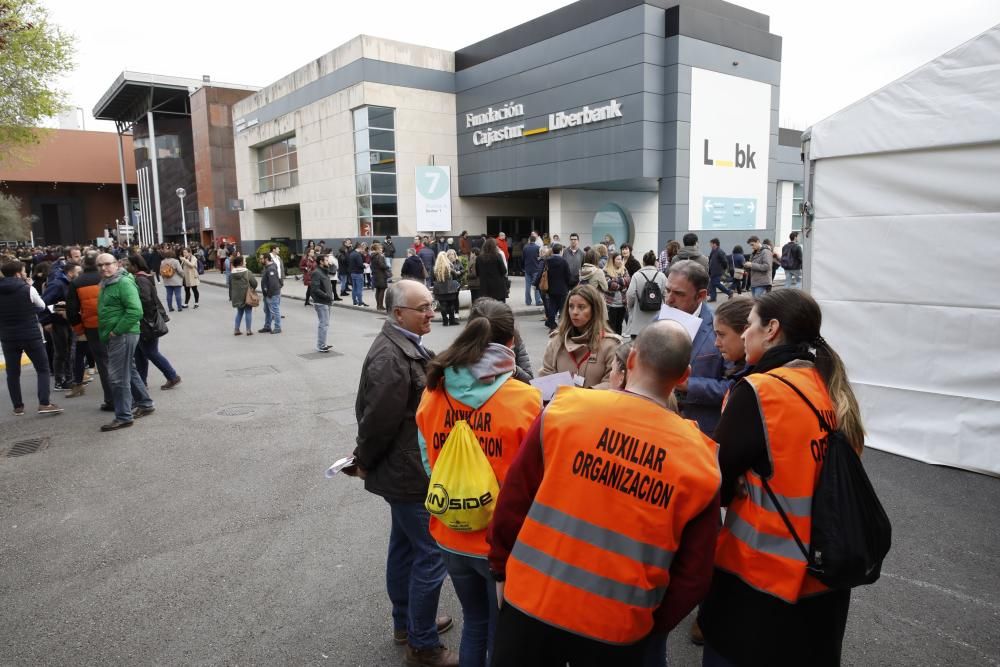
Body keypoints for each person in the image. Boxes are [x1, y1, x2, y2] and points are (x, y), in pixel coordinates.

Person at [488, 320, 722, 666]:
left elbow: (513, 500)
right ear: (684, 375)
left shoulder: (564, 412)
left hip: (533, 600)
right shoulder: (701, 458)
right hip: (619, 624)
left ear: (630, 361)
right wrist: (652, 622)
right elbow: (695, 572)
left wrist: (500, 570)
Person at [699, 289, 864, 666]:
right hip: (825, 577)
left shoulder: (762, 391)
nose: (743, 335)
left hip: (758, 581)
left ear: (772, 329)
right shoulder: (829, 385)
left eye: (751, 325)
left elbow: (713, 477)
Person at [415, 298, 543, 667]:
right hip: (501, 542)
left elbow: (430, 464)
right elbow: (536, 480)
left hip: (450, 532)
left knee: (474, 621)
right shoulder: (524, 400)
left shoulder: (434, 389)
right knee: (499, 629)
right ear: (512, 341)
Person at [350, 280, 457, 667]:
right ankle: (422, 643)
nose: (431, 312)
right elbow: (376, 420)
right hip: (408, 473)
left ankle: (408, 624)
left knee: (405, 547)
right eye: (423, 307)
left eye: (430, 306)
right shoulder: (391, 357)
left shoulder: (403, 345)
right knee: (430, 553)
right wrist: (363, 459)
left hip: (405, 468)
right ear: (399, 314)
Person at [665, 259, 727, 435]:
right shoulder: (658, 322)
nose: (669, 300)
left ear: (701, 295)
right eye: (667, 290)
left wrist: (689, 385)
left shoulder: (720, 328)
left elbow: (734, 387)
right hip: (661, 426)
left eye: (678, 294)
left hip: (702, 430)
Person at [96, 253, 154, 431]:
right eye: (100, 265)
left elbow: (135, 311)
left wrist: (116, 331)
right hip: (119, 334)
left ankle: (123, 416)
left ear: (117, 264)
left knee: (117, 377)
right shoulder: (107, 283)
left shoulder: (122, 282)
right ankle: (145, 403)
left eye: (107, 264)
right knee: (129, 369)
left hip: (123, 334)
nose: (104, 268)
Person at [0, 259, 62, 416]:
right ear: (18, 273)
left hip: (7, 336)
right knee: (42, 368)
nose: (26, 273)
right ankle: (44, 403)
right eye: (24, 270)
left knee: (12, 372)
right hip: (30, 334)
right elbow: (41, 305)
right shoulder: (27, 289)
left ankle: (18, 406)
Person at [539, 284, 621, 388]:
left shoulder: (610, 345)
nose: (574, 312)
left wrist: (583, 396)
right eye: (571, 306)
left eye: (581, 307)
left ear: (594, 310)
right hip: (562, 403)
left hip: (594, 403)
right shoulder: (557, 341)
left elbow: (612, 383)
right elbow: (546, 375)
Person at [126, 254, 181, 390]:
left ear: (135, 265)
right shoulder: (141, 278)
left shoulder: (141, 280)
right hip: (145, 322)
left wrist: (138, 314)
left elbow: (146, 301)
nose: (126, 267)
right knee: (140, 353)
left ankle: (172, 376)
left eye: (128, 264)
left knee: (150, 352)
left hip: (146, 323)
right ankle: (142, 382)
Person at [66, 251, 113, 410]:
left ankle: (111, 399)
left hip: (92, 327)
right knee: (122, 361)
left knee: (103, 363)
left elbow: (72, 310)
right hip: (113, 324)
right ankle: (131, 397)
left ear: (83, 264)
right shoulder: (108, 277)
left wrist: (79, 329)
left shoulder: (77, 282)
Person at [624, 251, 666, 339]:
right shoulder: (661, 276)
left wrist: (631, 306)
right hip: (657, 321)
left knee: (637, 349)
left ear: (643, 262)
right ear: (655, 262)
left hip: (638, 322)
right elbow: (666, 295)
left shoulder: (637, 275)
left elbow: (630, 294)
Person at [539, 243, 570, 330]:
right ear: (561, 251)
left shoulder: (547, 261)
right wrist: (568, 285)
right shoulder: (564, 261)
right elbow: (568, 275)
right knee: (563, 307)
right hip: (562, 288)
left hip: (551, 288)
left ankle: (551, 323)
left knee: (552, 306)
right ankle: (563, 325)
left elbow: (543, 273)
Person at [310, 253, 335, 352]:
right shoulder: (317, 272)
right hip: (321, 302)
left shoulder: (324, 271)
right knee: (323, 324)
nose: (328, 262)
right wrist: (327, 296)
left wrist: (331, 264)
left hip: (326, 301)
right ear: (321, 261)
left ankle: (322, 343)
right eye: (326, 260)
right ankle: (321, 345)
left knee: (325, 324)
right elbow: (315, 289)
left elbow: (333, 270)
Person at [229, 255, 257, 336]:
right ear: (241, 263)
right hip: (247, 295)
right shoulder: (247, 272)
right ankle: (248, 330)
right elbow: (254, 283)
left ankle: (236, 329)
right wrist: (252, 288)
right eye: (244, 261)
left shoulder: (232, 273)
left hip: (237, 296)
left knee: (239, 312)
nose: (246, 262)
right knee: (248, 312)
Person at [603, 251, 629, 335]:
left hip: (622, 303)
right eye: (618, 259)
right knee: (611, 327)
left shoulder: (624, 269)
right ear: (613, 260)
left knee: (619, 326)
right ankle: (612, 346)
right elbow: (610, 285)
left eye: (621, 259)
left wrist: (615, 280)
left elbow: (628, 280)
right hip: (611, 304)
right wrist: (622, 284)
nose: (620, 261)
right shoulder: (606, 270)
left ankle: (619, 344)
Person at [475, 238, 507, 303]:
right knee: (500, 310)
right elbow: (504, 271)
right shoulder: (498, 256)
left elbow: (477, 273)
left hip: (485, 289)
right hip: (498, 289)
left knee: (487, 310)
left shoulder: (479, 258)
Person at [433, 253, 461, 327]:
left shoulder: (436, 269)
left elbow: (433, 278)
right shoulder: (449, 267)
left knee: (443, 305)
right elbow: (455, 275)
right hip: (449, 288)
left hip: (439, 290)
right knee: (451, 304)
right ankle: (452, 320)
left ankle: (445, 321)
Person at [258, 253, 283, 334]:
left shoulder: (271, 268)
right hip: (267, 294)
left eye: (261, 258)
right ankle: (267, 326)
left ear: (266, 259)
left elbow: (273, 283)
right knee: (267, 311)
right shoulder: (267, 267)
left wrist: (269, 294)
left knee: (275, 311)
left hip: (272, 294)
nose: (260, 260)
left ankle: (277, 327)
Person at [707, 238, 733, 302]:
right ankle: (713, 297)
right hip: (713, 271)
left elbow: (725, 261)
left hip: (717, 271)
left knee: (716, 283)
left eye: (711, 244)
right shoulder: (713, 251)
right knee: (712, 284)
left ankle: (729, 292)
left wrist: (722, 269)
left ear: (715, 244)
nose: (710, 245)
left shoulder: (720, 251)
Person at [522, 235, 543, 306]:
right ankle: (538, 301)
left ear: (529, 240)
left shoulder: (525, 248)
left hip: (527, 269)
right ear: (535, 240)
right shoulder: (538, 248)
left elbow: (523, 258)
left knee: (527, 286)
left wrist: (524, 267)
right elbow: (540, 258)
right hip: (536, 269)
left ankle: (528, 301)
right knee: (536, 286)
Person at [370, 242, 390, 311]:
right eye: (380, 248)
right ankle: (380, 306)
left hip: (375, 274)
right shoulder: (379, 256)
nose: (382, 249)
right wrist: (387, 266)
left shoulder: (373, 255)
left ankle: (378, 305)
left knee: (378, 290)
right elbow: (382, 265)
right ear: (377, 249)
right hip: (381, 275)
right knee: (382, 290)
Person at [348, 241, 369, 307]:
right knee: (359, 288)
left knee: (354, 288)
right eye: (362, 248)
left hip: (353, 273)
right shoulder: (357, 255)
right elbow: (360, 265)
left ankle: (355, 302)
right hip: (358, 273)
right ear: (359, 247)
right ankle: (360, 302)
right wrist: (365, 265)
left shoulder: (352, 253)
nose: (362, 249)